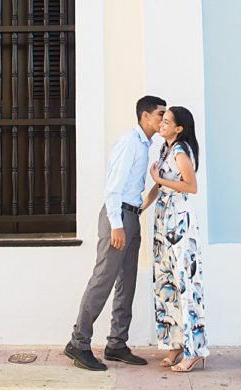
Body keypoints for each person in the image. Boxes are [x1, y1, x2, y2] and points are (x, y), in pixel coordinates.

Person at [65, 95, 166, 372]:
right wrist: (117, 223)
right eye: (160, 114)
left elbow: (134, 188)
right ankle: (79, 343)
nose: (163, 119)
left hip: (131, 216)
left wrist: (139, 211)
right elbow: (113, 186)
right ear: (145, 116)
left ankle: (116, 343)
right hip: (118, 217)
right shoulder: (129, 143)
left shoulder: (146, 146)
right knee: (102, 281)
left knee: (127, 283)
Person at [143, 105, 209, 373]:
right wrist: (141, 206)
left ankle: (195, 350)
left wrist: (159, 178)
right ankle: (175, 344)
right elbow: (158, 186)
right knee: (165, 282)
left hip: (180, 221)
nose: (162, 124)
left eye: (167, 121)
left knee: (186, 283)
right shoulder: (164, 149)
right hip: (163, 220)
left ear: (179, 128)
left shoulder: (181, 150)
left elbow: (191, 186)